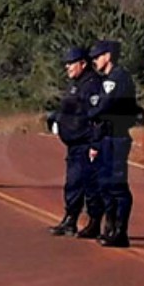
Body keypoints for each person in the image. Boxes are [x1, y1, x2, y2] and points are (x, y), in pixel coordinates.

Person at [88, 40, 141, 247]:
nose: (95, 61)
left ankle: (120, 231)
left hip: (117, 136)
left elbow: (103, 107)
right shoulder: (106, 79)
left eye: (97, 56)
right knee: (104, 185)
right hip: (105, 137)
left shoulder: (118, 78)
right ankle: (110, 227)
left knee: (117, 185)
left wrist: (90, 113)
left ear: (108, 56)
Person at [49, 47, 105, 238]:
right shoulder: (75, 85)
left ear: (83, 63)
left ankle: (94, 223)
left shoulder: (92, 85)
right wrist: (56, 119)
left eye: (71, 63)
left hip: (87, 143)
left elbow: (98, 116)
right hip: (74, 144)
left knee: (90, 186)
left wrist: (95, 144)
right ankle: (70, 220)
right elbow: (69, 109)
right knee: (73, 183)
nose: (67, 67)